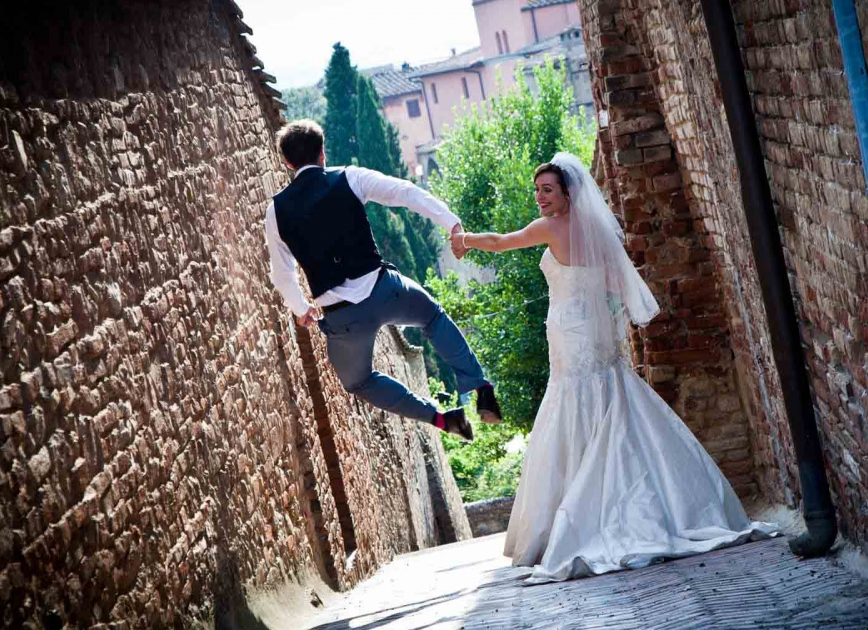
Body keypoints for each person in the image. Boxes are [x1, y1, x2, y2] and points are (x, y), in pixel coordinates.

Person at [452, 152, 776, 582]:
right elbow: (613, 284)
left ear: (569, 193)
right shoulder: (596, 232)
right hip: (592, 330)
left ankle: (581, 512)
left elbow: (501, 242)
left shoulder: (551, 229)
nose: (540, 199)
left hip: (571, 330)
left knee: (576, 399)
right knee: (610, 394)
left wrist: (465, 239)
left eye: (547, 190)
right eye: (537, 191)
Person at [264, 119, 501, 441]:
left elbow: (282, 273)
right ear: (322, 152)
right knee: (431, 317)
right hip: (385, 290)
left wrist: (301, 308)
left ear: (288, 163)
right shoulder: (349, 177)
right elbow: (404, 192)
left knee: (359, 382)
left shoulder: (276, 211)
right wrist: (452, 224)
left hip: (342, 316)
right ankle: (480, 387)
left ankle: (443, 420)